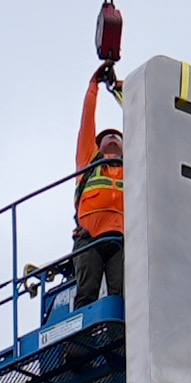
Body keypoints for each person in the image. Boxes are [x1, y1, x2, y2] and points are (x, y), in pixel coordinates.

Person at [67, 63, 123, 317]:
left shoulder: (132, 168)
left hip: (121, 241)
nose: (112, 139)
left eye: (118, 137)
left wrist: (122, 92)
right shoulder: (88, 162)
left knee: (123, 295)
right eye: (106, 137)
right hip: (88, 238)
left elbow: (147, 121)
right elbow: (87, 122)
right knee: (87, 293)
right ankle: (80, 343)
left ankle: (123, 342)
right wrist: (94, 87)